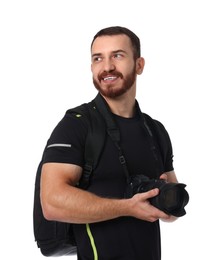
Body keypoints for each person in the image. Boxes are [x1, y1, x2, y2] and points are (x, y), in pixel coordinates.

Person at [40, 26, 179, 260]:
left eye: (117, 55)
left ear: (139, 64)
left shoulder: (155, 130)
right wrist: (127, 207)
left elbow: (173, 209)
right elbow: (51, 202)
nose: (107, 67)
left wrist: (165, 200)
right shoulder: (77, 125)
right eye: (98, 58)